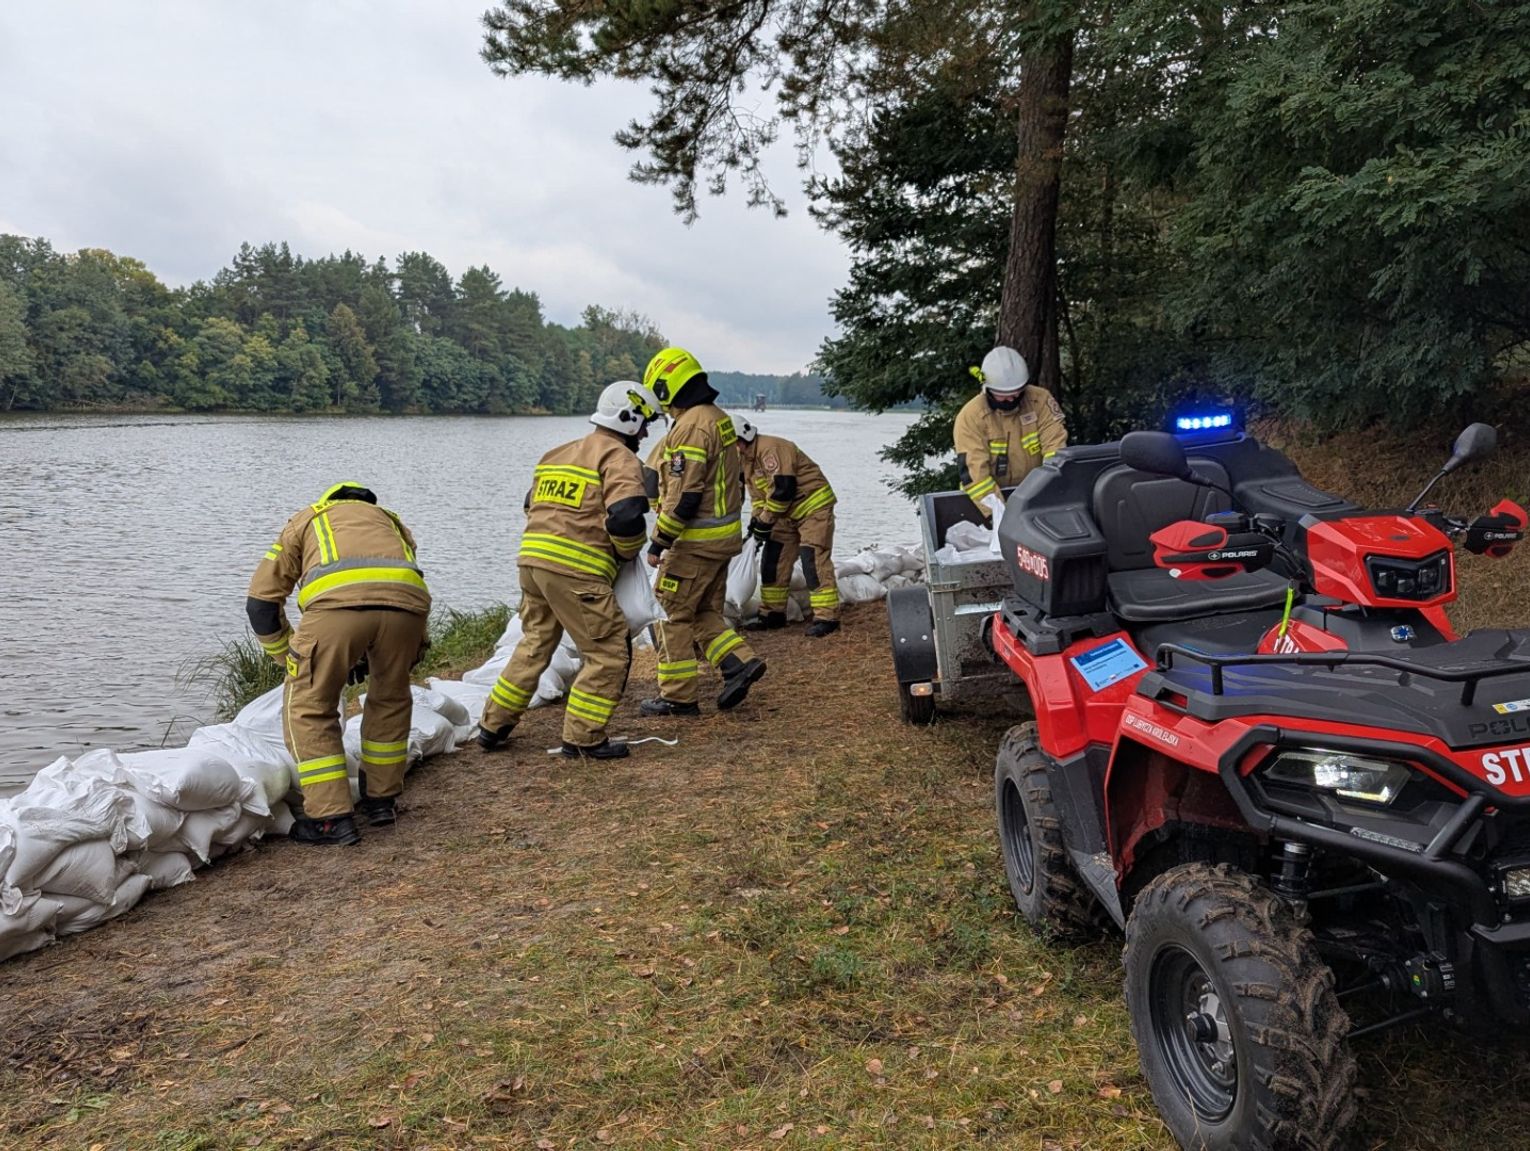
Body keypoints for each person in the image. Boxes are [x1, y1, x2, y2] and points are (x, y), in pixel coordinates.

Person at [477, 381, 661, 759]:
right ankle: (583, 737)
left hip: (532, 564)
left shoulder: (556, 453)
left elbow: (531, 506)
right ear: (628, 419)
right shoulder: (619, 458)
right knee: (607, 651)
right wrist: (626, 555)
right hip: (576, 572)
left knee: (535, 642)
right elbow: (626, 517)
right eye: (643, 424)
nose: (645, 433)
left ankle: (492, 725)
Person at [246, 482, 431, 847]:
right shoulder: (392, 522)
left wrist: (292, 660)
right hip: (409, 610)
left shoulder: (307, 519)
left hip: (335, 610)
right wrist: (365, 651)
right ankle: (381, 801)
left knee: (310, 707)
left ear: (329, 499)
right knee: (391, 699)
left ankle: (331, 819)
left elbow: (261, 604)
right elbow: (387, 589)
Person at [640, 346, 766, 716]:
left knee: (670, 614)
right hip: (722, 540)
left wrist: (659, 541)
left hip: (693, 543)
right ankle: (739, 663)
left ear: (668, 387)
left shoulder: (691, 427)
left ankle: (678, 696)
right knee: (702, 612)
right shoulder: (718, 418)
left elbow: (686, 493)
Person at [735, 418, 840, 637]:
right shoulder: (744, 460)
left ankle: (827, 617)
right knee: (773, 562)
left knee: (812, 560)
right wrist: (755, 527)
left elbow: (783, 490)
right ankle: (772, 615)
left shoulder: (771, 449)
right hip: (784, 515)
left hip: (812, 508)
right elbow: (758, 498)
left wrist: (766, 520)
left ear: (742, 438)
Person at [953, 345, 1067, 520]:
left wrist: (1047, 499)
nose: (1011, 399)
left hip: (1037, 494)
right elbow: (975, 475)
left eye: (1017, 392)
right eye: (1003, 395)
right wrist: (1001, 517)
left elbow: (1055, 450)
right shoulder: (971, 417)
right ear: (987, 388)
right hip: (987, 503)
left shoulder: (1040, 401)